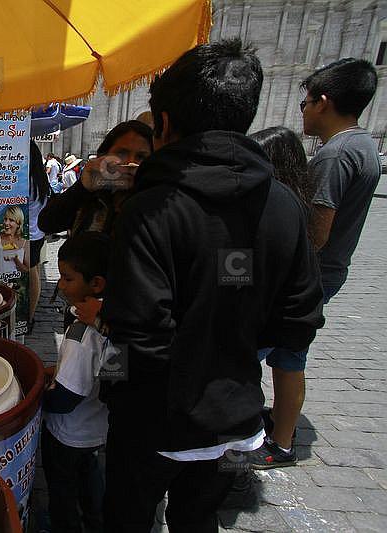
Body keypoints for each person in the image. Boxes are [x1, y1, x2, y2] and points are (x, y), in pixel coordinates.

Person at [98, 40, 324, 531]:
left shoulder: (152, 208)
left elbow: (136, 330)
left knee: (126, 521)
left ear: (164, 125)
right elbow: (301, 316)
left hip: (155, 424)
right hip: (237, 423)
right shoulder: (283, 203)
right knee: (200, 523)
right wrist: (234, 348)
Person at [246, 126, 317, 469]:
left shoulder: (277, 208)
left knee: (250, 371)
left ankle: (264, 441)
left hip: (278, 313)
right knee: (290, 366)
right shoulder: (297, 202)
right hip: (295, 310)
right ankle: (283, 438)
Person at [42, 232, 116, 533]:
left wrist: (33, 394)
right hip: (97, 428)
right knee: (89, 475)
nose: (60, 285)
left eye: (67, 278)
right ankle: (96, 522)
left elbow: (65, 399)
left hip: (66, 433)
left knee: (62, 490)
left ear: (96, 283)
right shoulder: (117, 320)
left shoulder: (80, 334)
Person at [302, 59, 380, 302]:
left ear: (322, 103)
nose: (303, 111)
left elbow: (316, 233)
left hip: (314, 273)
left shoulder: (336, 155)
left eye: (305, 103)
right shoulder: (363, 144)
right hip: (331, 270)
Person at [38, 121, 153, 237]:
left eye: (141, 157)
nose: (130, 163)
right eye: (122, 153)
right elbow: (46, 224)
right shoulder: (93, 195)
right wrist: (82, 187)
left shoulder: (157, 206)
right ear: (105, 155)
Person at [28, 141, 52, 334]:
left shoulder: (26, 180)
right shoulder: (40, 179)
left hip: (29, 234)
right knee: (33, 271)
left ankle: (29, 316)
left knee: (30, 273)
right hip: (37, 233)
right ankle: (30, 314)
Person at [0, 205, 30, 276]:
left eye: (11, 220)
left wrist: (16, 260)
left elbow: (26, 270)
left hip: (15, 285)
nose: (6, 223)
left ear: (18, 224)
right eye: (5, 219)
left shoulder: (25, 243)